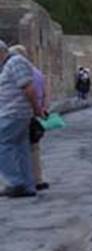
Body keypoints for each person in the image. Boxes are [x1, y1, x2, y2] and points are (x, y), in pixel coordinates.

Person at [0, 40, 44, 198]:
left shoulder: (15, 62)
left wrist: (37, 108)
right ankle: (27, 185)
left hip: (13, 113)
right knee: (21, 148)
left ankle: (15, 182)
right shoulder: (9, 65)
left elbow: (28, 88)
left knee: (3, 146)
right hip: (17, 113)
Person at [9, 45, 49, 191]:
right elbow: (45, 93)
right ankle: (38, 179)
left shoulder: (16, 73)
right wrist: (42, 108)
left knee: (16, 149)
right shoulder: (38, 73)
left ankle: (20, 181)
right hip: (34, 114)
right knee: (34, 149)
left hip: (19, 113)